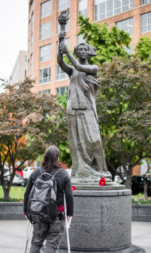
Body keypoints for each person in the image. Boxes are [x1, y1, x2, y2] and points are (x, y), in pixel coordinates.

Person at [57, 36, 112, 183]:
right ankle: (80, 171)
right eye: (79, 49)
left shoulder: (93, 68)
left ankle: (102, 171)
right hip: (73, 109)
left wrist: (67, 51)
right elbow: (60, 62)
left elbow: (80, 67)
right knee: (76, 142)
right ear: (77, 52)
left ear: (88, 53)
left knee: (95, 140)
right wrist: (60, 42)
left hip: (87, 109)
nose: (82, 51)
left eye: (84, 49)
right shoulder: (72, 70)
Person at [23, 146, 74, 253]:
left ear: (44, 156)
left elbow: (27, 194)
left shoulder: (36, 173)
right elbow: (69, 196)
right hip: (56, 217)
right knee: (51, 244)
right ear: (58, 157)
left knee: (36, 242)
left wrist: (26, 211)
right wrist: (70, 213)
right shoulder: (63, 175)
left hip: (37, 215)